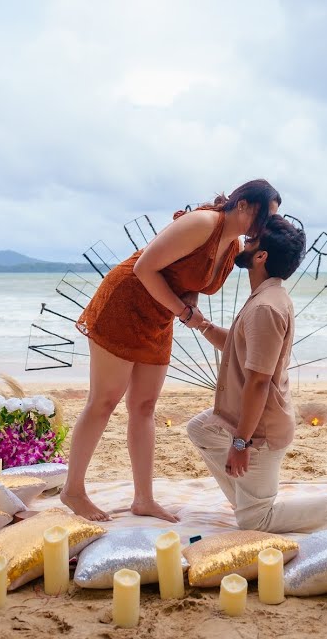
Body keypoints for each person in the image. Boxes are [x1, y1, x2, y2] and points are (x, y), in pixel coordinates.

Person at [63, 179, 284, 522]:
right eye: (265, 216)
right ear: (243, 205)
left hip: (159, 316)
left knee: (145, 406)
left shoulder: (232, 246)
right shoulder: (203, 223)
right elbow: (143, 268)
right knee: (104, 401)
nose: (267, 226)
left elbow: (189, 282)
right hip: (126, 302)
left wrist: (188, 307)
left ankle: (144, 499)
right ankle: (73, 491)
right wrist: (184, 313)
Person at [185, 215, 327, 532]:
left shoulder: (265, 308)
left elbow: (258, 382)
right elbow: (238, 345)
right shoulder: (267, 299)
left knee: (255, 522)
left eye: (251, 240)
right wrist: (202, 324)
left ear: (261, 256)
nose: (243, 241)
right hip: (247, 416)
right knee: (201, 429)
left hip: (261, 431)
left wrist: (240, 444)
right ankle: (248, 501)